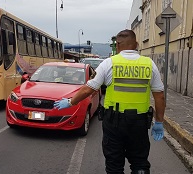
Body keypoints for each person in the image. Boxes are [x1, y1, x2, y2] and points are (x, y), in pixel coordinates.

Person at [54, 29, 165, 174]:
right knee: (139, 162)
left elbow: (89, 89)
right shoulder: (149, 64)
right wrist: (159, 122)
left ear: (117, 46)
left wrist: (70, 102)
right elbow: (160, 96)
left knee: (114, 165)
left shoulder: (109, 63)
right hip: (139, 123)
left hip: (114, 123)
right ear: (137, 44)